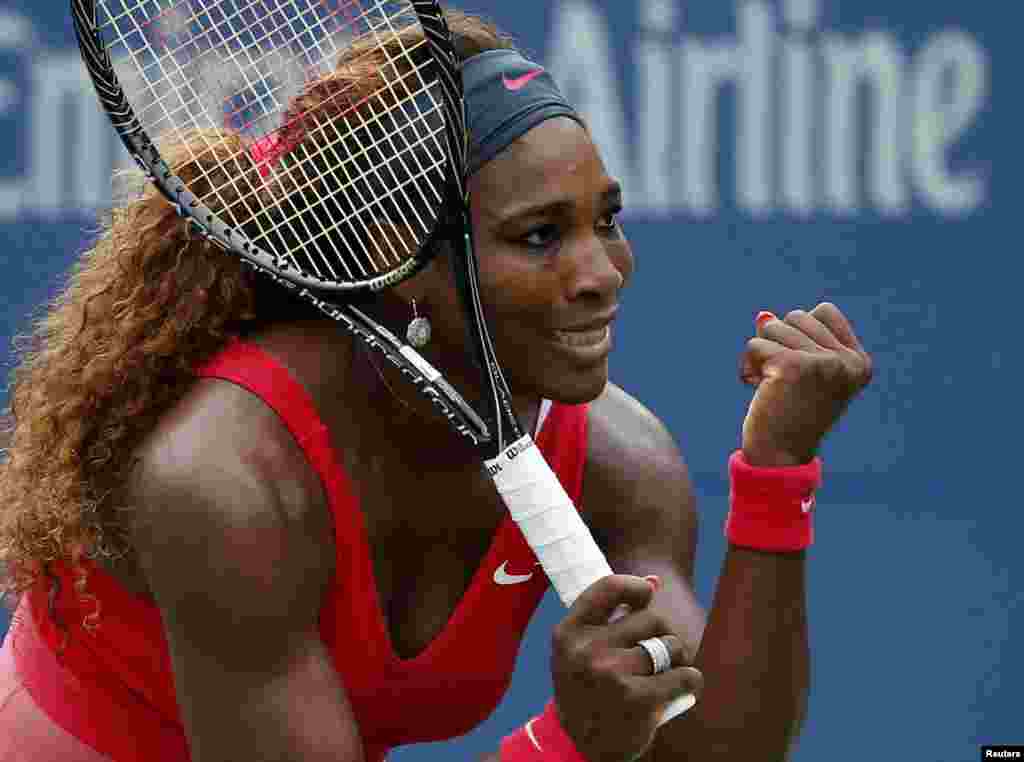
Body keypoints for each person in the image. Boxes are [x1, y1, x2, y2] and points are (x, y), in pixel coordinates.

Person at [0, 9, 872, 762]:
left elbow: (717, 746)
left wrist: (776, 474)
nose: (602, 271)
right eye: (538, 236)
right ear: (394, 258)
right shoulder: (225, 480)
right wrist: (569, 743)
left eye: (605, 219)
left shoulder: (620, 460)